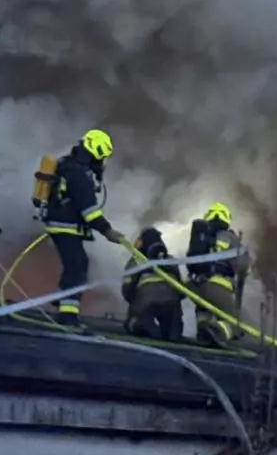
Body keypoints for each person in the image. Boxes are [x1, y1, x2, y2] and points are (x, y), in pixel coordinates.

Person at [43, 128, 128, 328]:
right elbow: (89, 211)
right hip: (65, 226)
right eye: (103, 157)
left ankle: (64, 298)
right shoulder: (77, 173)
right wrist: (107, 231)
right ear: (95, 153)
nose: (104, 163)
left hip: (65, 225)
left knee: (77, 264)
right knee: (77, 266)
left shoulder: (70, 166)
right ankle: (68, 316)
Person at [185, 202, 249, 346]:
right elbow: (243, 266)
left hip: (197, 286)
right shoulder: (231, 238)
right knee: (236, 323)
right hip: (219, 287)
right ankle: (219, 331)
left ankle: (204, 330)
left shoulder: (203, 236)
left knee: (205, 310)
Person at [122, 226, 182, 340]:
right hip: (171, 303)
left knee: (131, 323)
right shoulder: (171, 260)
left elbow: (126, 290)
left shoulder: (136, 260)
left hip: (146, 302)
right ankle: (173, 331)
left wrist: (134, 303)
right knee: (173, 330)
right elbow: (181, 289)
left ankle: (142, 324)